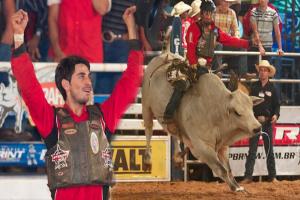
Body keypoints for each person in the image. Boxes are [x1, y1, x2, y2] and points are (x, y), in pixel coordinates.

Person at [10, 6, 143, 200]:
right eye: (81, 76)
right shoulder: (51, 121)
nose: (88, 82)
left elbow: (131, 81)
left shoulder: (104, 116)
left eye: (89, 76)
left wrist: (132, 31)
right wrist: (19, 36)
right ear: (66, 84)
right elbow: (28, 83)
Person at [163, 0, 253, 122]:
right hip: (193, 65)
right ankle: (169, 114)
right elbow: (190, 48)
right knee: (182, 84)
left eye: (210, 13)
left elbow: (229, 39)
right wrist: (194, 63)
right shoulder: (194, 28)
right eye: (205, 13)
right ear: (201, 13)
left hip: (207, 67)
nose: (208, 16)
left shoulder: (215, 30)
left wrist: (248, 43)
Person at [241, 60, 280, 183]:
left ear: (268, 73)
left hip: (267, 122)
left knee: (269, 150)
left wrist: (276, 115)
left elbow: (277, 106)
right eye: (261, 70)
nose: (262, 72)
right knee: (252, 150)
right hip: (255, 122)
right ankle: (248, 176)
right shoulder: (254, 87)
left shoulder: (273, 88)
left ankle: (272, 176)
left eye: (265, 70)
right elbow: (248, 104)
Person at [247, 0, 283, 73]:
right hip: (255, 45)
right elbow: (255, 31)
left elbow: (277, 31)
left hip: (267, 46)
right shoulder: (254, 11)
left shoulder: (273, 13)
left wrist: (280, 48)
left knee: (266, 72)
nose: (262, 0)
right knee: (253, 72)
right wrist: (260, 46)